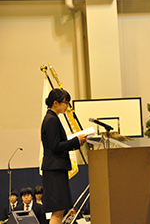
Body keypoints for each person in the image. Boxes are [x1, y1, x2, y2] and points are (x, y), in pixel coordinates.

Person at [41, 88, 87, 224]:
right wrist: (76, 141)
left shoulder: (52, 118)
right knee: (58, 210)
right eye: (65, 102)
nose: (67, 106)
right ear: (55, 103)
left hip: (56, 169)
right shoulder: (51, 120)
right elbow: (56, 146)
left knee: (59, 210)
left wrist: (76, 142)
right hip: (54, 169)